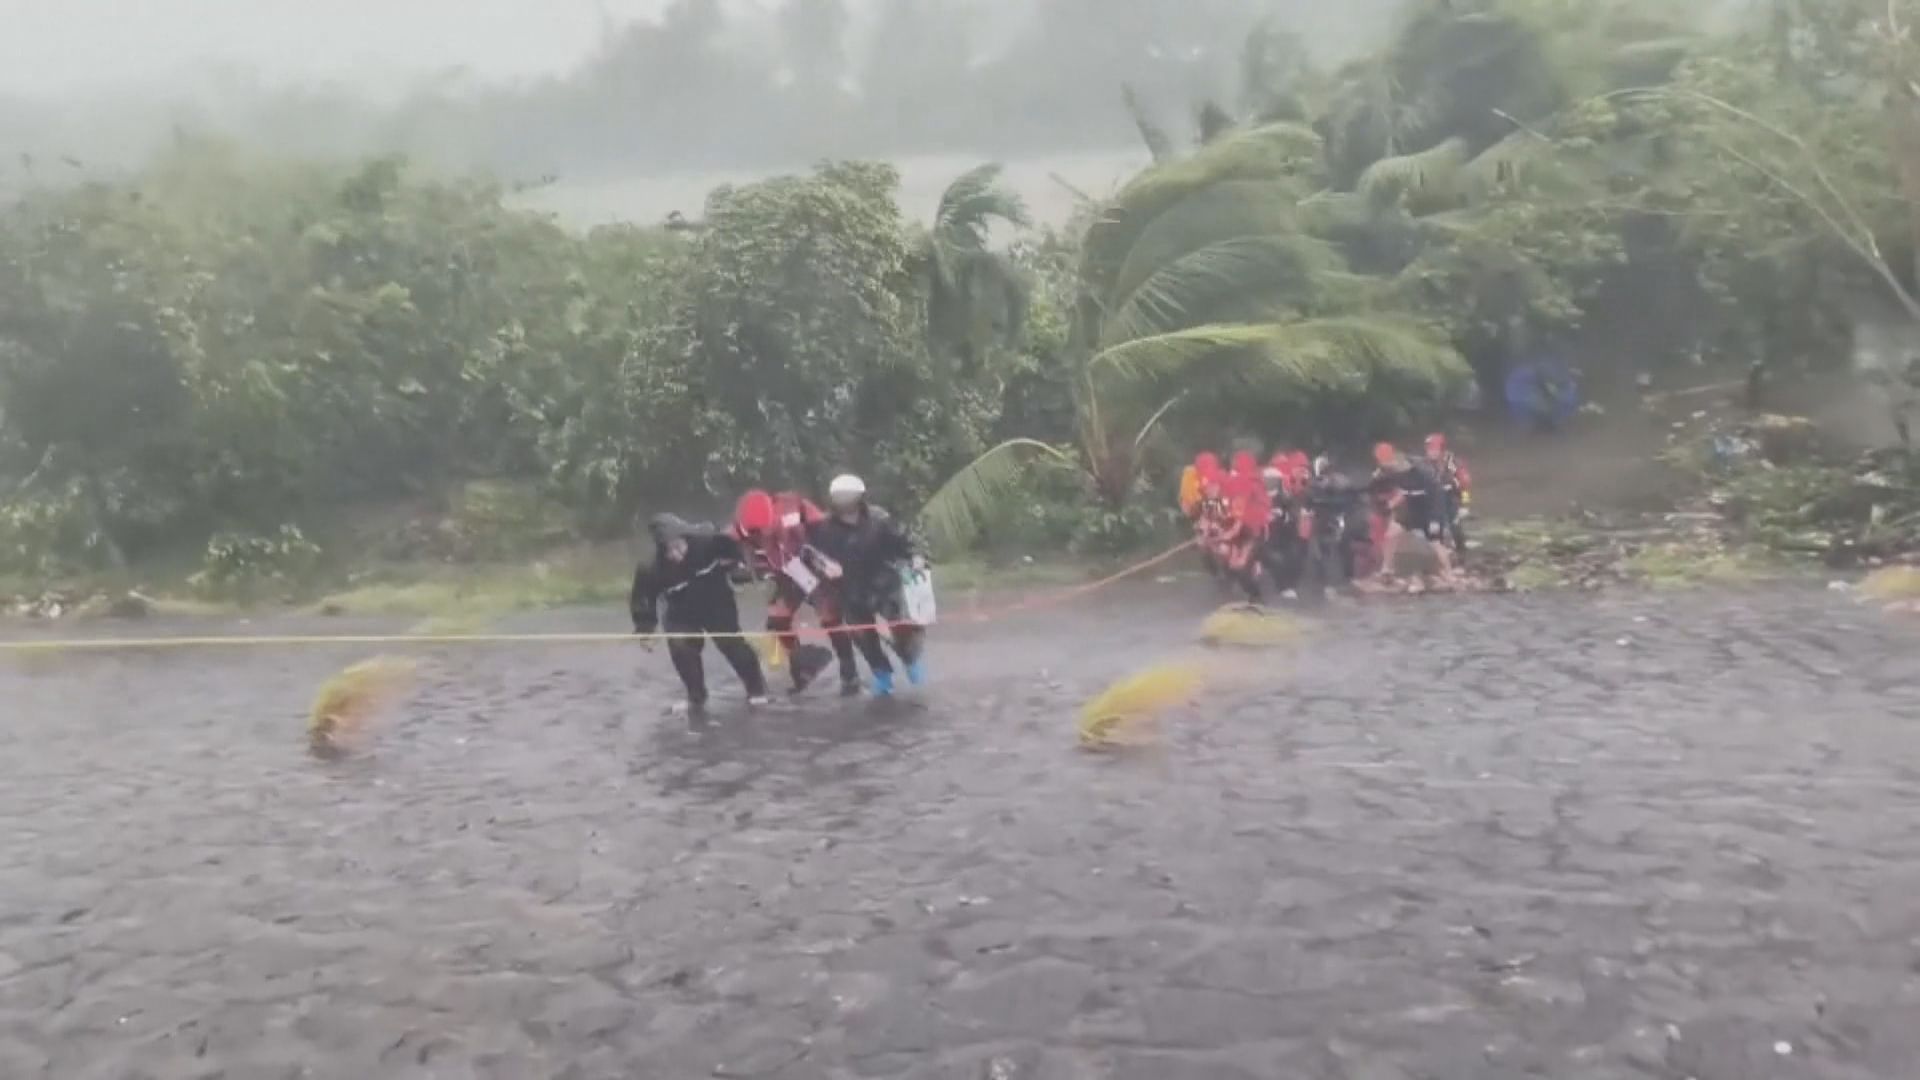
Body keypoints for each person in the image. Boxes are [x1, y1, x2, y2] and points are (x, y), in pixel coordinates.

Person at [630, 512, 769, 717]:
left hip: (716, 601)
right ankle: (696, 696)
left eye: (678, 547)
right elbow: (643, 599)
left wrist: (742, 566)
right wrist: (645, 629)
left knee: (731, 643)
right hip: (680, 610)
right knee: (680, 647)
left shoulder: (708, 539)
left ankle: (756, 688)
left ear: (685, 538)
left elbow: (738, 547)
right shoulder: (651, 568)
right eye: (669, 551)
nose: (676, 554)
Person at [810, 474, 926, 697]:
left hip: (884, 583)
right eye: (839, 497)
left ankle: (911, 663)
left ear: (859, 497)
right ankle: (882, 676)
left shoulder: (879, 518)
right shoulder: (825, 528)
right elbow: (815, 555)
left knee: (902, 628)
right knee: (863, 638)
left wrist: (916, 557)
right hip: (850, 589)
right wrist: (824, 567)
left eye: (848, 496)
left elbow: (904, 542)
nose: (844, 501)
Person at [732, 489, 841, 695]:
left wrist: (831, 560)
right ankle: (801, 670)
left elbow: (826, 528)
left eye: (763, 531)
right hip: (785, 575)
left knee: (830, 616)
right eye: (754, 533)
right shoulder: (741, 531)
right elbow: (723, 544)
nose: (761, 537)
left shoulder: (794, 508)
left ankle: (848, 670)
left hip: (813, 566)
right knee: (777, 620)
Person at [1371, 443, 1455, 579]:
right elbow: (1404, 491)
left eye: (1387, 463)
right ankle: (1386, 570)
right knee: (1391, 535)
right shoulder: (1389, 471)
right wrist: (1391, 504)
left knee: (1435, 542)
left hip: (1429, 509)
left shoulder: (1421, 471)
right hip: (1411, 507)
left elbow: (1437, 495)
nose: (1386, 467)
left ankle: (1450, 574)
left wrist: (1435, 519)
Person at [1423, 433, 1472, 554]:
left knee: (1455, 527)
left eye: (1434, 449)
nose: (1431, 452)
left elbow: (1465, 484)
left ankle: (1461, 553)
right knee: (1435, 529)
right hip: (1436, 498)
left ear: (1442, 450)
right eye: (1429, 449)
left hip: (1452, 497)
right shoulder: (1425, 464)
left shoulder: (1452, 463)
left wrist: (1465, 505)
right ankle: (1443, 554)